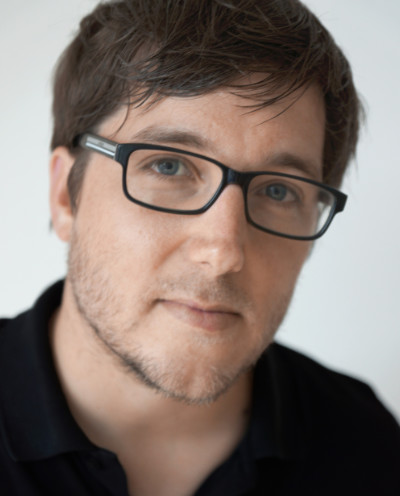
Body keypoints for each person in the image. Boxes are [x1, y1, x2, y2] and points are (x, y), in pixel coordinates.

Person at [1, 0, 399, 494]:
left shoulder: (365, 448)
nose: (223, 252)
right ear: (66, 195)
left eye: (279, 191)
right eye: (168, 166)